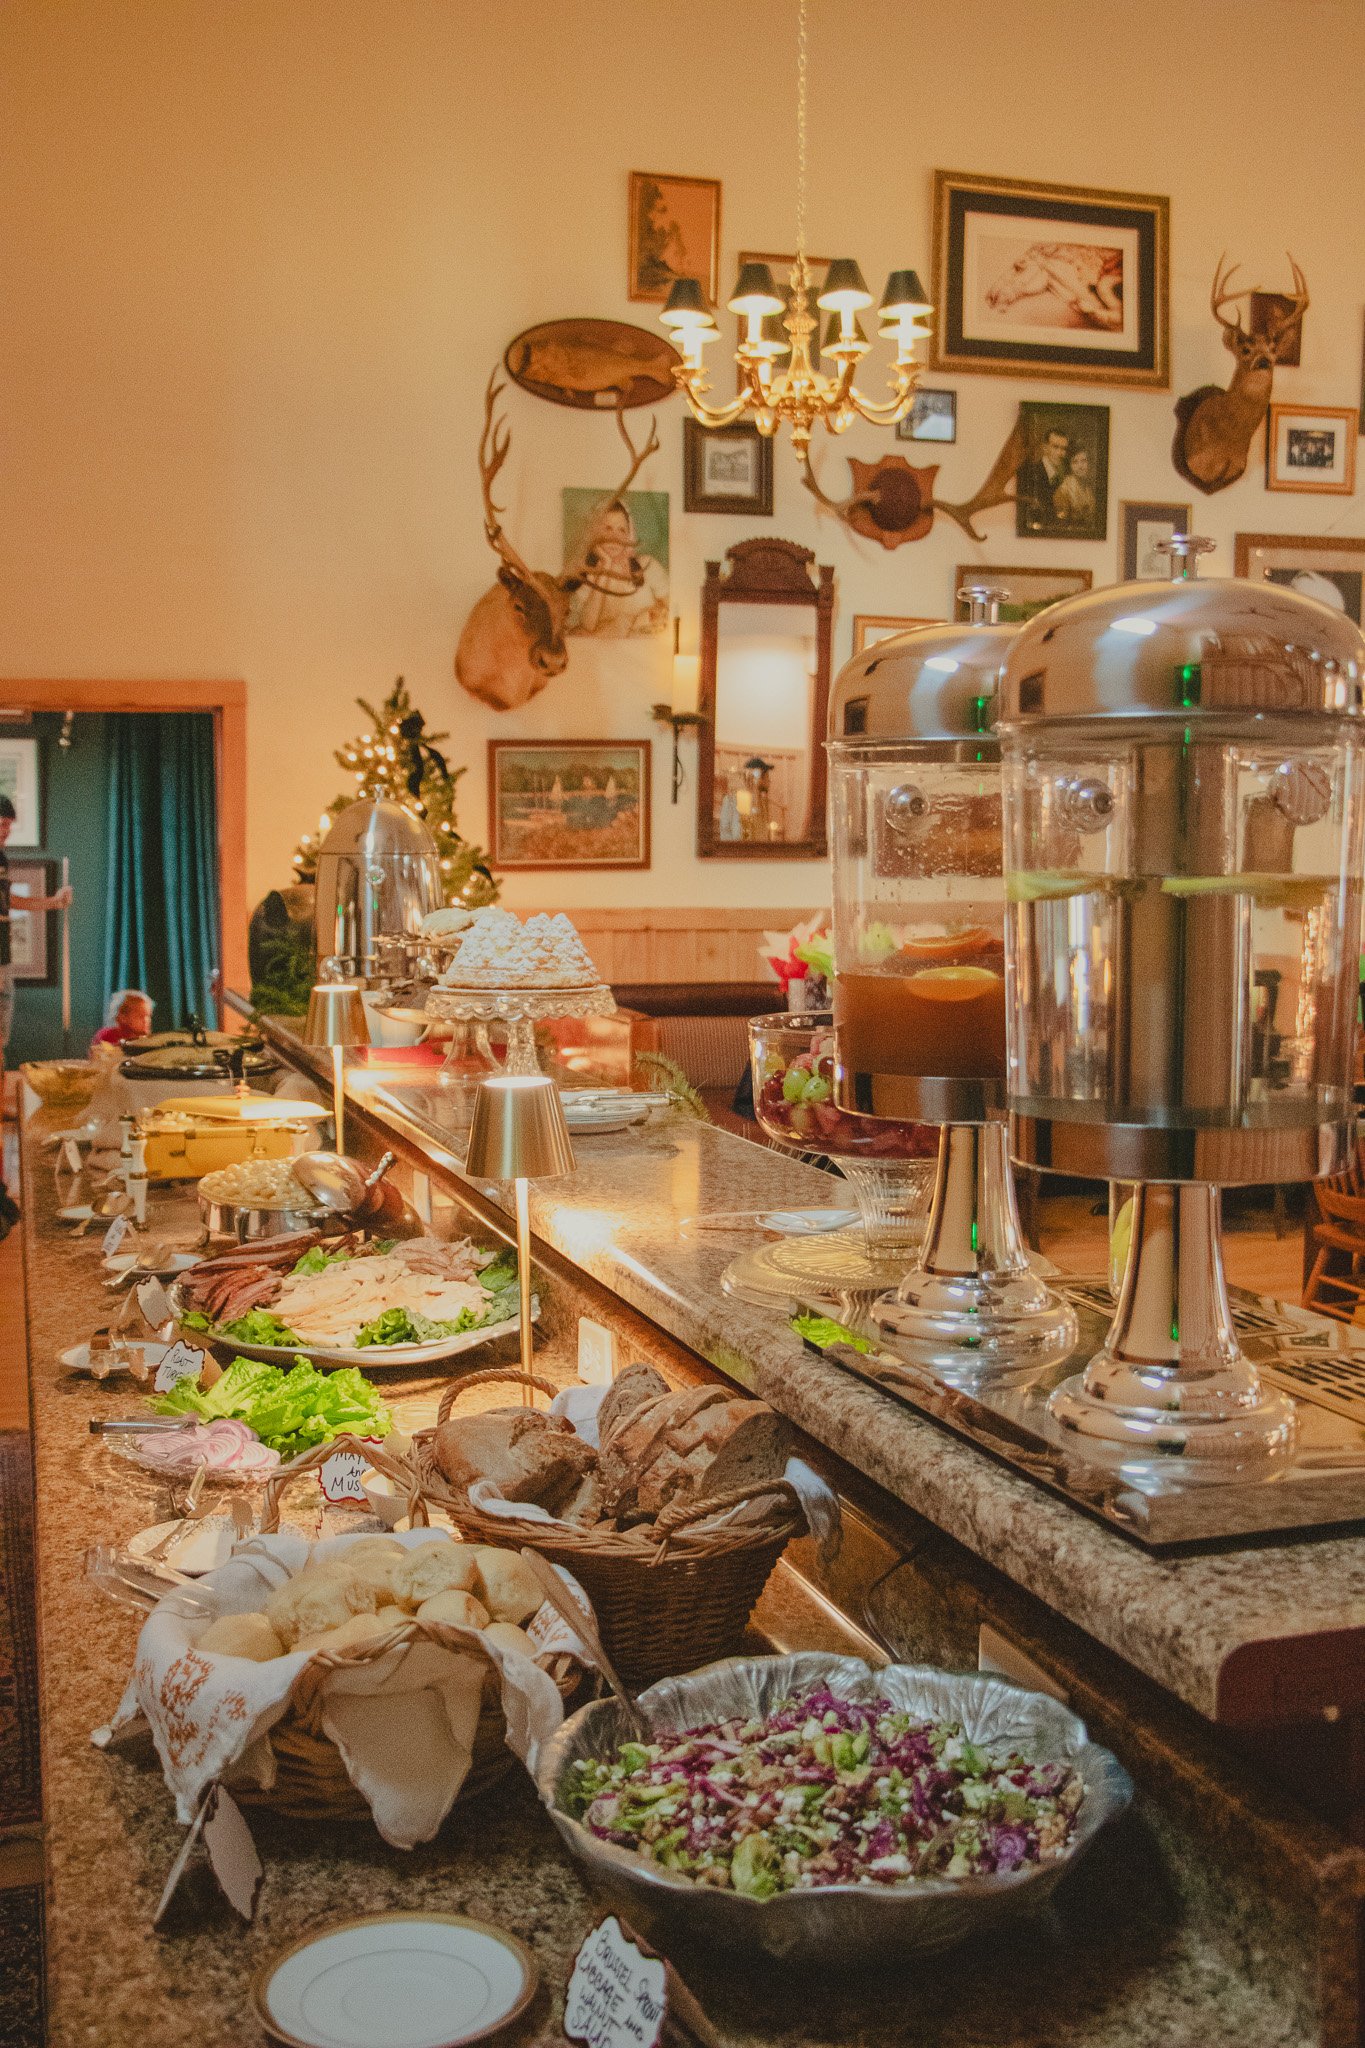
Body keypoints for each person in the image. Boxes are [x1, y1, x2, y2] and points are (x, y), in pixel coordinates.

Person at [0, 792, 74, 1234]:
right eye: (1, 825)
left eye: (8, 826)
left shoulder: (3, 858)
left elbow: (9, 903)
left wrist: (51, 903)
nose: (5, 832)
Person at [564, 498, 669, 637]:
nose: (614, 536)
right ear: (595, 532)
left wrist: (637, 620)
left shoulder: (648, 566)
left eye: (622, 530)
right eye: (608, 528)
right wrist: (605, 564)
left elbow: (670, 609)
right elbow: (587, 626)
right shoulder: (586, 574)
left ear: (629, 534)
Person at [1016, 426, 1070, 533]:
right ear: (1045, 448)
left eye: (1063, 449)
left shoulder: (1064, 477)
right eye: (1055, 447)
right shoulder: (1031, 473)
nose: (1060, 453)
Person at [1052, 446, 1096, 529]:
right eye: (1075, 462)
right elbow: (1062, 524)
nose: (1080, 466)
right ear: (1069, 466)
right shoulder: (1063, 490)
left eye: (1083, 461)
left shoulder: (1089, 488)